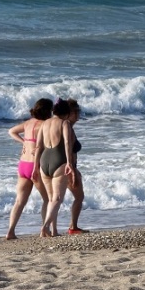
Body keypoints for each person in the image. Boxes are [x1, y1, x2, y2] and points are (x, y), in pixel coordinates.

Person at [4, 98, 53, 239]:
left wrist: (24, 142)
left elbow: (11, 131)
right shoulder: (45, 125)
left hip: (23, 165)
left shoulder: (27, 123)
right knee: (48, 199)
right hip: (35, 166)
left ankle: (10, 231)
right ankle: (45, 230)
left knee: (19, 201)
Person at [37, 98, 79, 237]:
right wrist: (69, 163)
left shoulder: (44, 123)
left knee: (50, 199)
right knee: (57, 199)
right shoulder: (64, 123)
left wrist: (35, 167)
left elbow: (39, 146)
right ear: (66, 112)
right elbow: (67, 142)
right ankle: (45, 226)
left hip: (44, 161)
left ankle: (53, 231)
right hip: (59, 160)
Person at [64, 99, 87, 235]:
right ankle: (73, 226)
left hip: (66, 166)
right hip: (68, 167)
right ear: (69, 113)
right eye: (76, 111)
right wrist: (72, 168)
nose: (78, 114)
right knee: (79, 197)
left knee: (55, 198)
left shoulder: (67, 127)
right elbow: (68, 149)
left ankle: (71, 226)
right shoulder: (67, 127)